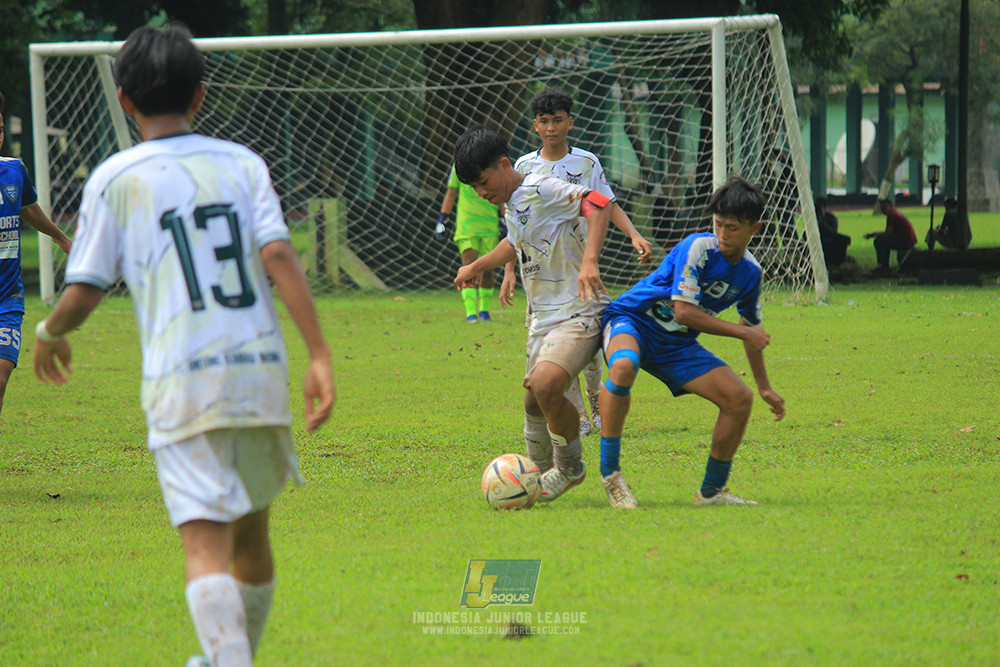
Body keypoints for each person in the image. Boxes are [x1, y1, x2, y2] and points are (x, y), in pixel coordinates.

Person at [32, 27, 336, 667]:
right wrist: (318, 354)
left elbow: (85, 289)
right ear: (200, 94)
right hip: (259, 373)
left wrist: (49, 332)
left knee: (204, 546)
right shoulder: (242, 163)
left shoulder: (115, 177)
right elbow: (279, 255)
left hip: (184, 381)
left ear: (124, 100)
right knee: (250, 539)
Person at [598, 176, 785, 509]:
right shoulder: (698, 247)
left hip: (676, 345)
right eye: (719, 224)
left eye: (732, 228)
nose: (722, 234)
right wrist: (745, 333)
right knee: (624, 365)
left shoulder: (751, 273)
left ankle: (711, 492)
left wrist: (765, 387)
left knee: (739, 399)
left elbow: (751, 327)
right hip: (633, 320)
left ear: (754, 229)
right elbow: (684, 313)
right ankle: (611, 476)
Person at [453, 125, 611, 502]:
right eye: (474, 188)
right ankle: (535, 480)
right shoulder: (513, 203)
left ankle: (569, 468)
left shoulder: (543, 188)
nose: (481, 193)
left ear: (504, 165)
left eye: (483, 182)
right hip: (543, 318)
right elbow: (515, 241)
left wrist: (590, 260)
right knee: (533, 400)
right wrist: (476, 266)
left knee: (545, 385)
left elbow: (598, 204)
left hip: (578, 309)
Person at [508, 87, 654, 437]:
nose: (551, 128)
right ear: (535, 125)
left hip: (579, 266)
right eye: (544, 121)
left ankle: (597, 405)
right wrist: (509, 270)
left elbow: (607, 203)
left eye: (558, 120)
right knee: (553, 345)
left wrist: (634, 234)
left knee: (586, 343)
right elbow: (515, 226)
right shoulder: (523, 167)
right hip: (542, 273)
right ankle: (579, 417)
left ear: (570, 123)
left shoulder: (586, 163)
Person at [0, 90, 72, 418]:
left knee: (1, 375)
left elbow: (28, 208)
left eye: (1, 130)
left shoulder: (14, 171)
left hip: (7, 297)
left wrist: (60, 237)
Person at [435, 163, 501, 322]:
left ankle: (484, 311)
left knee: (488, 270)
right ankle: (471, 313)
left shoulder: (493, 163)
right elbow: (451, 192)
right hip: (467, 226)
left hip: (490, 226)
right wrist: (442, 219)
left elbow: (502, 193)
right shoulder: (459, 166)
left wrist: (506, 218)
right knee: (468, 267)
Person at [865, 198, 916, 270]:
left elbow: (887, 233)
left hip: (905, 242)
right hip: (910, 241)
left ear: (891, 206)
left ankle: (883, 265)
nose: (883, 210)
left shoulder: (892, 215)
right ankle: (884, 264)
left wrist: (874, 234)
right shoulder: (897, 213)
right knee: (884, 241)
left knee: (878, 242)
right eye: (882, 208)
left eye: (885, 207)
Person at [814, 196, 851, 267]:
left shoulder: (825, 219)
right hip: (823, 246)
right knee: (843, 240)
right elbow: (831, 233)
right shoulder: (820, 222)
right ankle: (841, 262)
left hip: (821, 243)